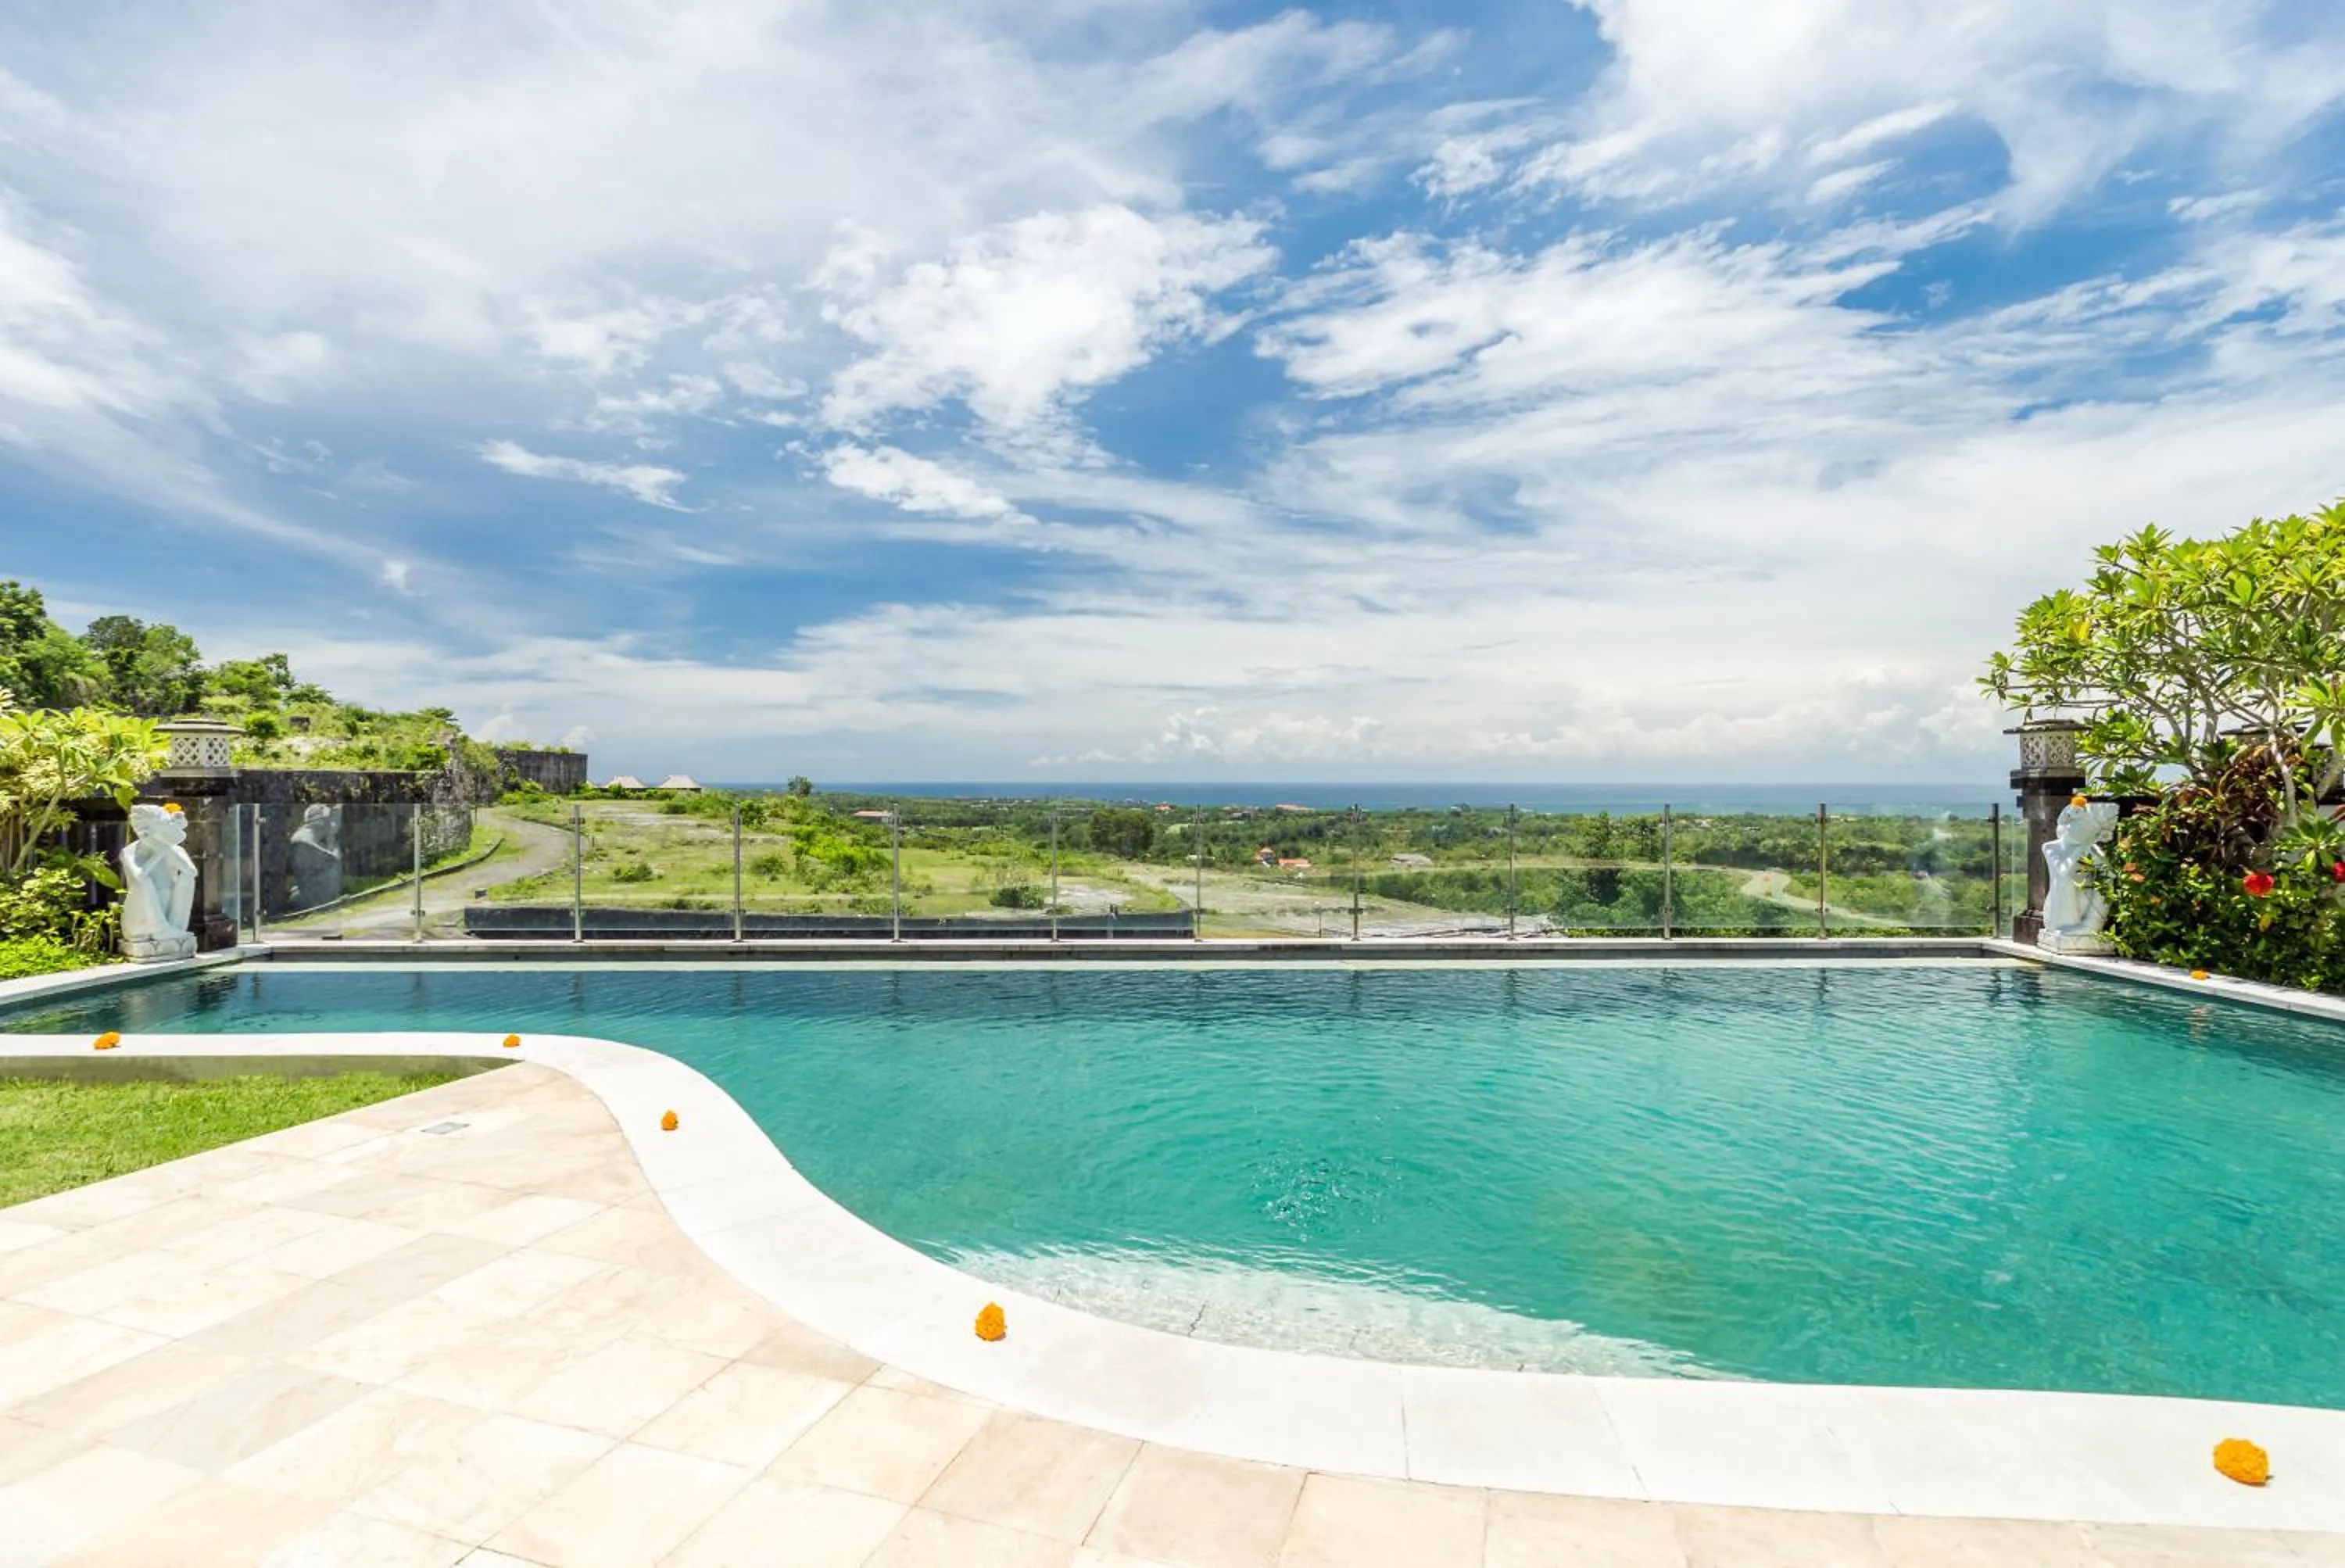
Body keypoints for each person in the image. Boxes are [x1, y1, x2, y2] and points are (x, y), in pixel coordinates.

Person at [120, 801, 197, 960]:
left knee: (187, 878)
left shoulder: (173, 849)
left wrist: (169, 850)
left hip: (168, 914)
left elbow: (191, 871)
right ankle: (160, 929)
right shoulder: (130, 851)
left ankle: (174, 927)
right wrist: (158, 854)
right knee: (143, 882)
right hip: (140, 922)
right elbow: (139, 876)